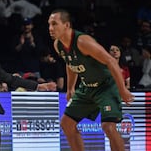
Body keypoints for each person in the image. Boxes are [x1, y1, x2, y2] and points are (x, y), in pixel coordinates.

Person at [48, 9, 134, 151]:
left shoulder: (82, 41)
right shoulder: (58, 45)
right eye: (49, 24)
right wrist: (70, 88)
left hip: (106, 85)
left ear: (67, 25)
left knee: (108, 126)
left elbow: (111, 61)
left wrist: (122, 89)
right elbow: (71, 64)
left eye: (54, 24)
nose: (50, 28)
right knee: (67, 123)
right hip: (87, 87)